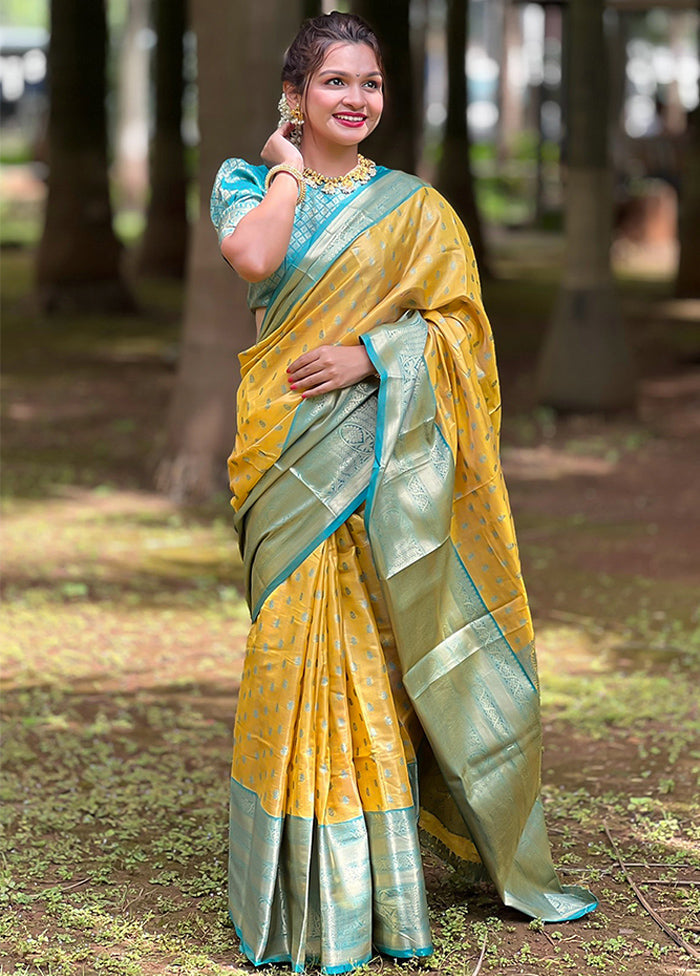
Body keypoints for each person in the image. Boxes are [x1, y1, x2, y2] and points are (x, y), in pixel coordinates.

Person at [210, 11, 596, 974]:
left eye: (371, 84)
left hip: (372, 463)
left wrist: (374, 356)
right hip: (285, 460)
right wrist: (290, 167)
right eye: (335, 82)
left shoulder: (419, 211)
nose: (356, 99)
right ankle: (290, 887)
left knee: (370, 666)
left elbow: (461, 331)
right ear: (296, 95)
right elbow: (256, 261)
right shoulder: (248, 184)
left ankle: (370, 892)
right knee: (290, 655)